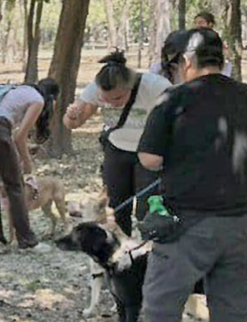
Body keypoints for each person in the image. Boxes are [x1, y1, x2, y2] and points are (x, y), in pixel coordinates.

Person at [121, 28, 247, 322]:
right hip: (244, 221)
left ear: (187, 62)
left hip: (187, 221)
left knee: (164, 300)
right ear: (222, 60)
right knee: (231, 306)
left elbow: (150, 158)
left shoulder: (173, 101)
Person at [63, 51, 172, 235]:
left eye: (118, 99)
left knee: (148, 207)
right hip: (117, 149)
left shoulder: (156, 87)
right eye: (105, 100)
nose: (112, 104)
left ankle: (153, 251)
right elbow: (73, 123)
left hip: (149, 152)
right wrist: (71, 116)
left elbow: (177, 119)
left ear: (131, 87)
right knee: (116, 206)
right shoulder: (94, 90)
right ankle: (121, 252)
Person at [0, 79, 59, 250]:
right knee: (15, 186)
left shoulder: (14, 89)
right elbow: (19, 137)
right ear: (51, 97)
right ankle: (27, 241)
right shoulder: (38, 99)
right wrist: (28, 165)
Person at [188, 12, 234, 77]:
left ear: (210, 24)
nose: (197, 25)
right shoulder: (191, 41)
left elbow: (226, 60)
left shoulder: (216, 41)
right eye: (195, 23)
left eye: (201, 22)